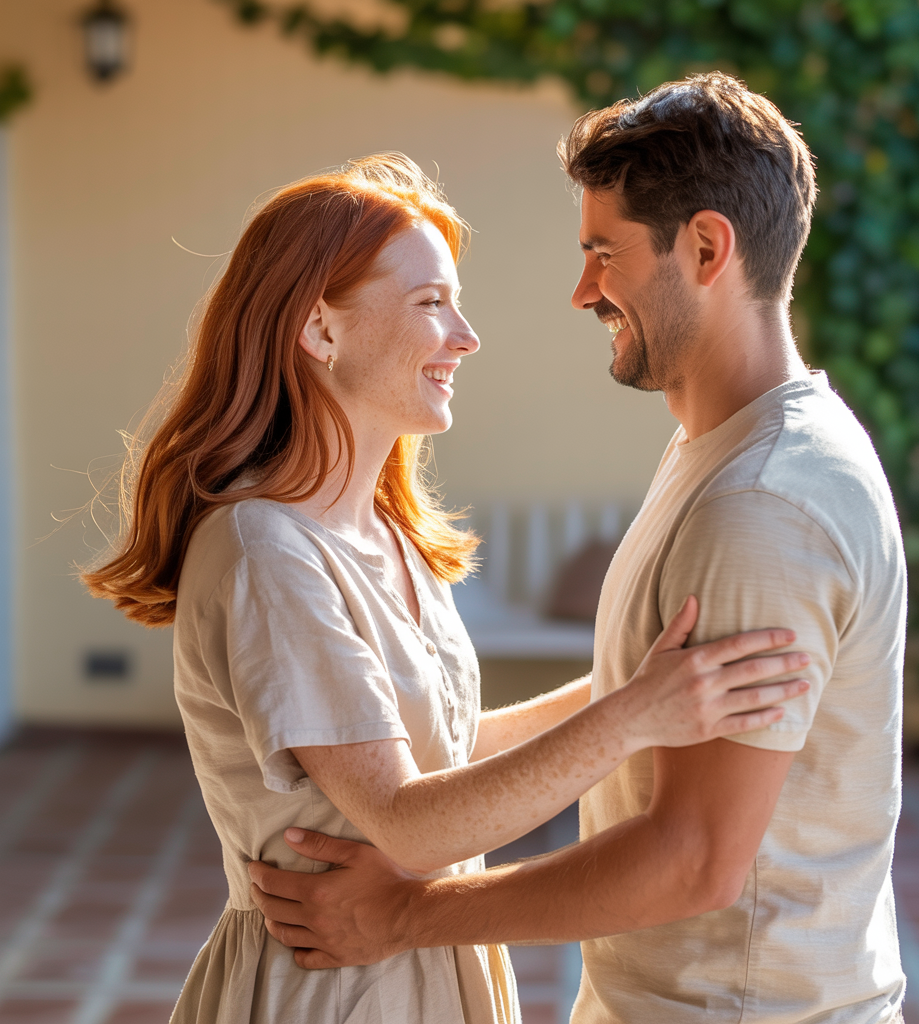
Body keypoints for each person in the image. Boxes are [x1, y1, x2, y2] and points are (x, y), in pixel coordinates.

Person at [82, 152, 811, 1024]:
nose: (466, 336)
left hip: (417, 967)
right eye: (432, 304)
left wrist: (632, 686)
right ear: (320, 330)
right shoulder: (264, 552)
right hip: (334, 987)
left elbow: (441, 748)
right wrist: (632, 718)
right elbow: (406, 820)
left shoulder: (384, 531)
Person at [248, 74, 908, 1024]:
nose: (583, 290)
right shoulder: (719, 453)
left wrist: (402, 916)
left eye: (605, 253)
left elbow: (694, 859)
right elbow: (647, 703)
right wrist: (630, 707)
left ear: (707, 247)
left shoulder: (763, 503)